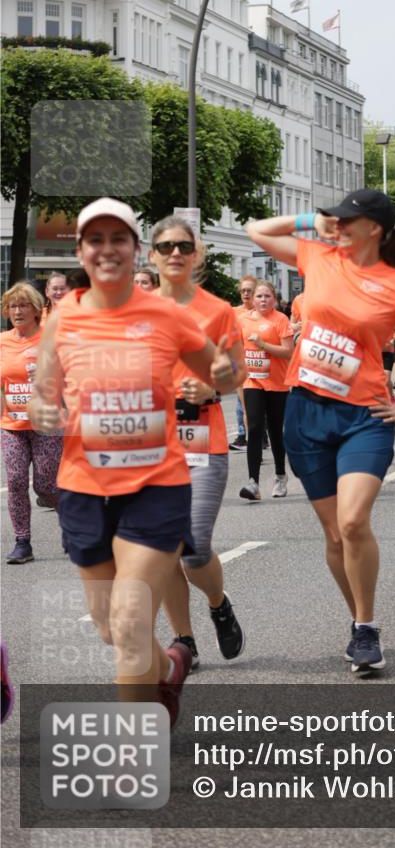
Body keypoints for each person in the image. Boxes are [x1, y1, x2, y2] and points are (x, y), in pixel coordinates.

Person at [28, 198, 239, 720]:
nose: (107, 250)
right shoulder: (63, 317)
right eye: (94, 240)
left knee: (128, 619)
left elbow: (224, 370)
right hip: (83, 486)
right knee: (110, 628)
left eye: (117, 239)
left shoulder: (164, 314)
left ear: (134, 248)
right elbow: (43, 389)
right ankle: (169, 671)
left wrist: (219, 377)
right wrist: (41, 408)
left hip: (156, 485)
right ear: (80, 250)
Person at [247, 189, 395, 675]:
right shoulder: (318, 256)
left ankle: (366, 627)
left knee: (353, 521)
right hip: (306, 410)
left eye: (346, 218)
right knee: (333, 533)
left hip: (365, 416)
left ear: (374, 228)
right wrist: (309, 222)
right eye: (334, 217)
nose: (335, 223)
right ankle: (356, 620)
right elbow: (256, 230)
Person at [150, 216, 246, 667]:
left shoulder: (218, 310)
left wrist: (213, 389)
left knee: (192, 546)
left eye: (183, 247)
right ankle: (184, 640)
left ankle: (218, 605)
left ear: (196, 255)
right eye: (165, 246)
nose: (174, 253)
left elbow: (239, 371)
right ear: (152, 255)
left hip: (202, 439)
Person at [1, 283, 62, 563]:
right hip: (12, 425)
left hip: (46, 423)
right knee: (14, 481)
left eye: (23, 305)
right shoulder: (2, 342)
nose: (17, 311)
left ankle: (73, 522)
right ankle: (22, 542)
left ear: (37, 310)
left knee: (46, 486)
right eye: (13, 306)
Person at [238, 280, 294, 500]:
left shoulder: (280, 320)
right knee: (254, 427)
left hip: (278, 383)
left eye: (267, 296)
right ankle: (253, 482)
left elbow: (288, 352)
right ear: (252, 299)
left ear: (274, 299)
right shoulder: (243, 320)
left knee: (275, 430)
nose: (263, 300)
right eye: (259, 296)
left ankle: (280, 475)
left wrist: (262, 345)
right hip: (253, 381)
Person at [229, 275, 257, 451]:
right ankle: (243, 436)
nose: (246, 293)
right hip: (239, 361)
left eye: (250, 290)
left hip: (259, 362)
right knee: (242, 404)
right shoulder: (233, 312)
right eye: (243, 290)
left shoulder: (261, 310)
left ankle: (259, 435)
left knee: (255, 403)